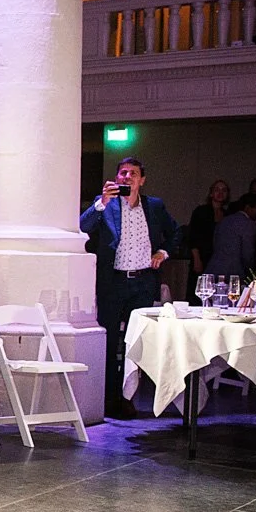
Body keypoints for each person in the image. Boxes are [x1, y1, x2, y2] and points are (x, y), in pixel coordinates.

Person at [80, 156, 180, 419]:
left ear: (142, 180)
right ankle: (109, 398)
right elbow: (82, 228)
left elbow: (177, 232)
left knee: (136, 342)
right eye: (123, 173)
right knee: (111, 340)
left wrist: (164, 251)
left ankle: (128, 398)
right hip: (113, 282)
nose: (127, 177)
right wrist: (102, 203)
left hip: (143, 282)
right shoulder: (107, 204)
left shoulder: (154, 207)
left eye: (133, 173)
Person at [205, 193, 256, 278]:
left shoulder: (224, 220)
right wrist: (250, 272)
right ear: (248, 207)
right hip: (234, 273)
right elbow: (247, 254)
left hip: (213, 269)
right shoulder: (249, 224)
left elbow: (215, 244)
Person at [186, 179, 230, 277]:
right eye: (217, 189)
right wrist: (197, 259)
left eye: (224, 190)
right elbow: (193, 237)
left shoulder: (228, 215)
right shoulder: (201, 211)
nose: (220, 193)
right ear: (211, 193)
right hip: (202, 257)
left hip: (220, 260)